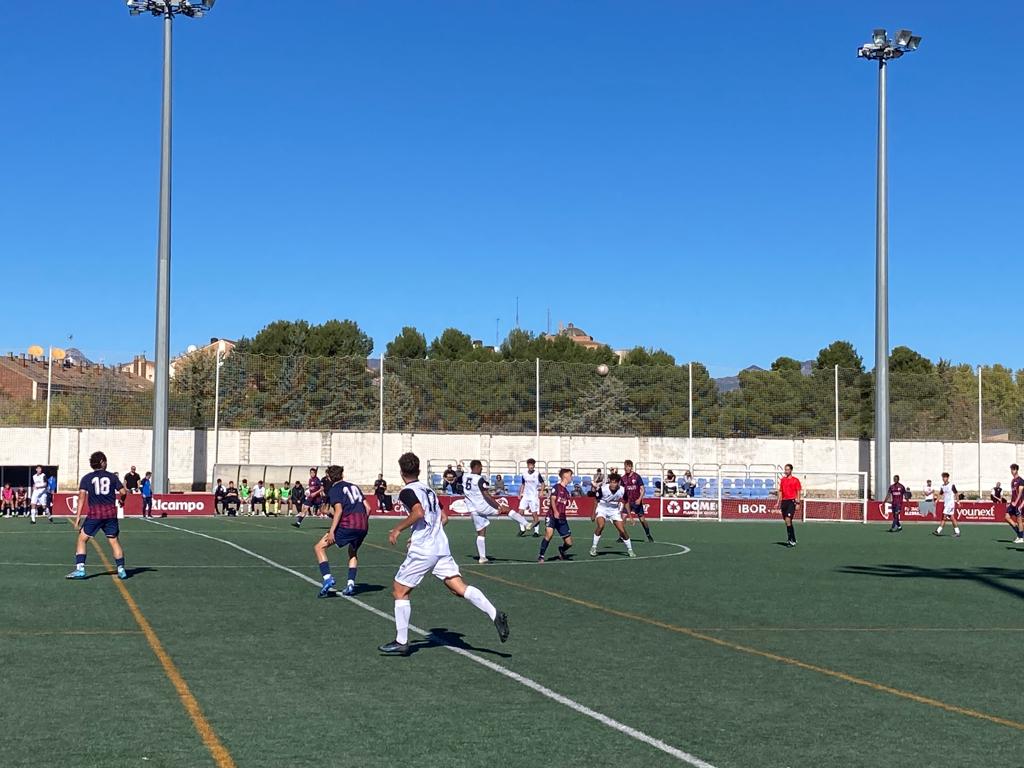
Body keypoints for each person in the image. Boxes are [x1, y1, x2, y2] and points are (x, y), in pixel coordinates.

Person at [378, 452, 509, 656]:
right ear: (419, 470)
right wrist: (424, 532)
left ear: (402, 472)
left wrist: (398, 529)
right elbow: (444, 517)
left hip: (425, 550)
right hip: (441, 546)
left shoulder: (407, 491)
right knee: (458, 588)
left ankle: (401, 641)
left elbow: (418, 513)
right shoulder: (429, 490)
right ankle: (495, 613)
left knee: (399, 591)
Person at [66, 451, 128, 580]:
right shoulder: (112, 477)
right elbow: (123, 491)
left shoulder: (87, 478)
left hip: (95, 513)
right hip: (110, 513)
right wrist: (122, 500)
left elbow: (81, 498)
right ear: (102, 462)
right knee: (114, 540)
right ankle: (121, 569)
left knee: (82, 539)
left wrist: (78, 517)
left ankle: (80, 569)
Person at [314, 465, 368, 597]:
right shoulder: (354, 487)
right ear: (342, 475)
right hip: (363, 525)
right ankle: (350, 584)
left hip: (348, 525)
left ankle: (327, 578)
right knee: (352, 552)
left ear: (329, 477)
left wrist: (332, 531)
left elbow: (339, 510)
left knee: (319, 547)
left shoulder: (334, 489)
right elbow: (368, 508)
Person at [463, 460, 502, 564]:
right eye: (481, 467)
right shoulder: (479, 479)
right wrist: (497, 505)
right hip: (481, 506)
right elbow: (486, 494)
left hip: (473, 508)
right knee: (504, 510)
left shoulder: (465, 476)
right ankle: (525, 523)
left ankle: (482, 557)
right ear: (477, 467)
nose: (481, 469)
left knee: (481, 532)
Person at [589, 472, 635, 558]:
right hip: (602, 508)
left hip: (614, 510)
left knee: (622, 531)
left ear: (618, 483)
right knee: (601, 526)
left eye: (615, 482)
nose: (613, 484)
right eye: (611, 482)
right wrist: (593, 514)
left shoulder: (622, 490)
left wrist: (631, 516)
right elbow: (596, 501)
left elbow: (626, 502)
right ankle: (593, 548)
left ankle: (630, 550)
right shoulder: (603, 489)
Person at [538, 468, 575, 562]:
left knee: (569, 543)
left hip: (562, 518)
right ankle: (541, 556)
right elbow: (552, 500)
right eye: (570, 475)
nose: (572, 477)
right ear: (565, 475)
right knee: (549, 534)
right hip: (551, 516)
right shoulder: (556, 487)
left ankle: (562, 550)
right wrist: (555, 511)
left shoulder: (567, 492)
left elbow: (565, 504)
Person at [622, 460, 654, 542]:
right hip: (628, 502)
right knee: (623, 518)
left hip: (636, 501)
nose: (626, 468)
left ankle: (648, 534)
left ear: (631, 467)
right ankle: (622, 536)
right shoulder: (623, 478)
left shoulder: (636, 477)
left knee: (642, 520)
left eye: (628, 466)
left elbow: (643, 489)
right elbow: (621, 491)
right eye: (625, 466)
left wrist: (639, 499)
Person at [776, 463, 802, 547]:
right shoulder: (783, 480)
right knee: (787, 521)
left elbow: (798, 491)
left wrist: (798, 502)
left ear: (791, 470)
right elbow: (780, 491)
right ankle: (792, 538)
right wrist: (778, 502)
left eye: (787, 469)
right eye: (785, 469)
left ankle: (791, 540)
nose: (786, 471)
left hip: (792, 501)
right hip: (784, 502)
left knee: (788, 519)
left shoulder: (795, 480)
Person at [518, 458, 544, 537]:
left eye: (532, 465)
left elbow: (542, 483)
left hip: (533, 496)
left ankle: (536, 532)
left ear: (534, 466)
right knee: (520, 513)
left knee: (534, 515)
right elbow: (523, 484)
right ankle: (522, 529)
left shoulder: (537, 474)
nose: (531, 466)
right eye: (530, 465)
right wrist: (520, 493)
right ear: (528, 465)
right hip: (525, 496)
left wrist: (541, 491)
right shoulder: (524, 473)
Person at [933, 472, 960, 538]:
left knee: (944, 517)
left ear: (948, 478)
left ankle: (938, 531)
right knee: (952, 518)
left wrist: (958, 502)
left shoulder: (951, 485)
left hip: (950, 504)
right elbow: (940, 494)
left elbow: (956, 493)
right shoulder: (942, 486)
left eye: (945, 477)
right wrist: (937, 500)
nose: (944, 478)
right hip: (946, 504)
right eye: (943, 477)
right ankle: (957, 532)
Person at [1005, 464, 1024, 544]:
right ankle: (1020, 534)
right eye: (1011, 470)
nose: (1012, 471)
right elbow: (1014, 494)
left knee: (1019, 519)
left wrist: (1017, 503)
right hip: (1013, 503)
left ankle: (1021, 537)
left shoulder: (1021, 480)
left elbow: (1020, 493)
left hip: (1019, 503)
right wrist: (1010, 502)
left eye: (1013, 469)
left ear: (1016, 470)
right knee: (1006, 517)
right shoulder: (1013, 481)